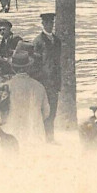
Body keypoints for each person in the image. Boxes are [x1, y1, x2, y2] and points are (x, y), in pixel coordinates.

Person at [1, 50, 49, 147]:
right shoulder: (39, 86)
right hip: (34, 131)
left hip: (12, 129)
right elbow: (46, 112)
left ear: (13, 68)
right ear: (29, 67)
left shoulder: (6, 86)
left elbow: (1, 112)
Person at [32, 12, 61, 142]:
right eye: (47, 23)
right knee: (44, 111)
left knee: (53, 111)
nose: (50, 25)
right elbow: (35, 63)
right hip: (43, 82)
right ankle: (44, 137)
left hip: (54, 82)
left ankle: (50, 137)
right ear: (43, 24)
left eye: (51, 23)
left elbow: (58, 62)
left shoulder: (57, 40)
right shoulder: (38, 41)